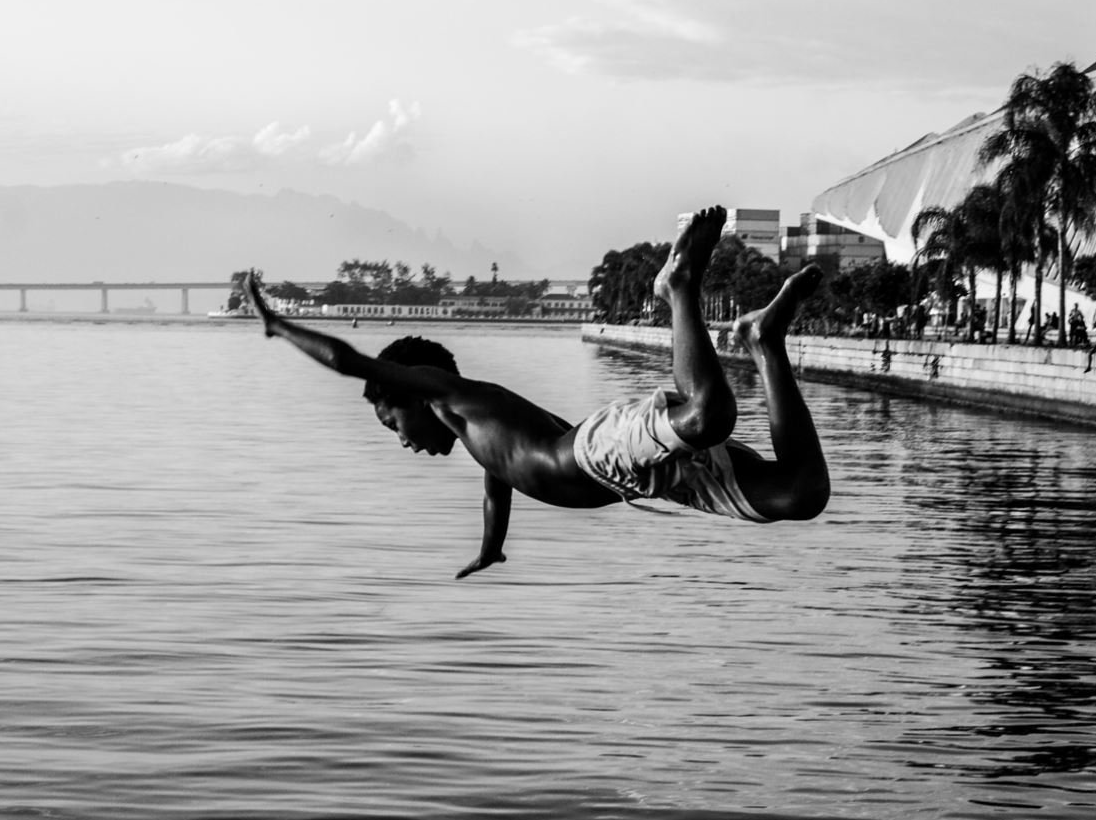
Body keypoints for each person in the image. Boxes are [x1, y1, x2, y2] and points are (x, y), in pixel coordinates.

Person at [241, 206, 831, 577]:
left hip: (600, 454)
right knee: (799, 495)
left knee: (710, 417)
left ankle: (678, 286)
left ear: (411, 392)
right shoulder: (473, 431)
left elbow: (348, 361)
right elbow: (498, 486)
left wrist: (278, 326)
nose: (401, 442)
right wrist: (491, 547)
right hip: (644, 479)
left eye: (391, 424)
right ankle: (764, 340)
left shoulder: (446, 392)